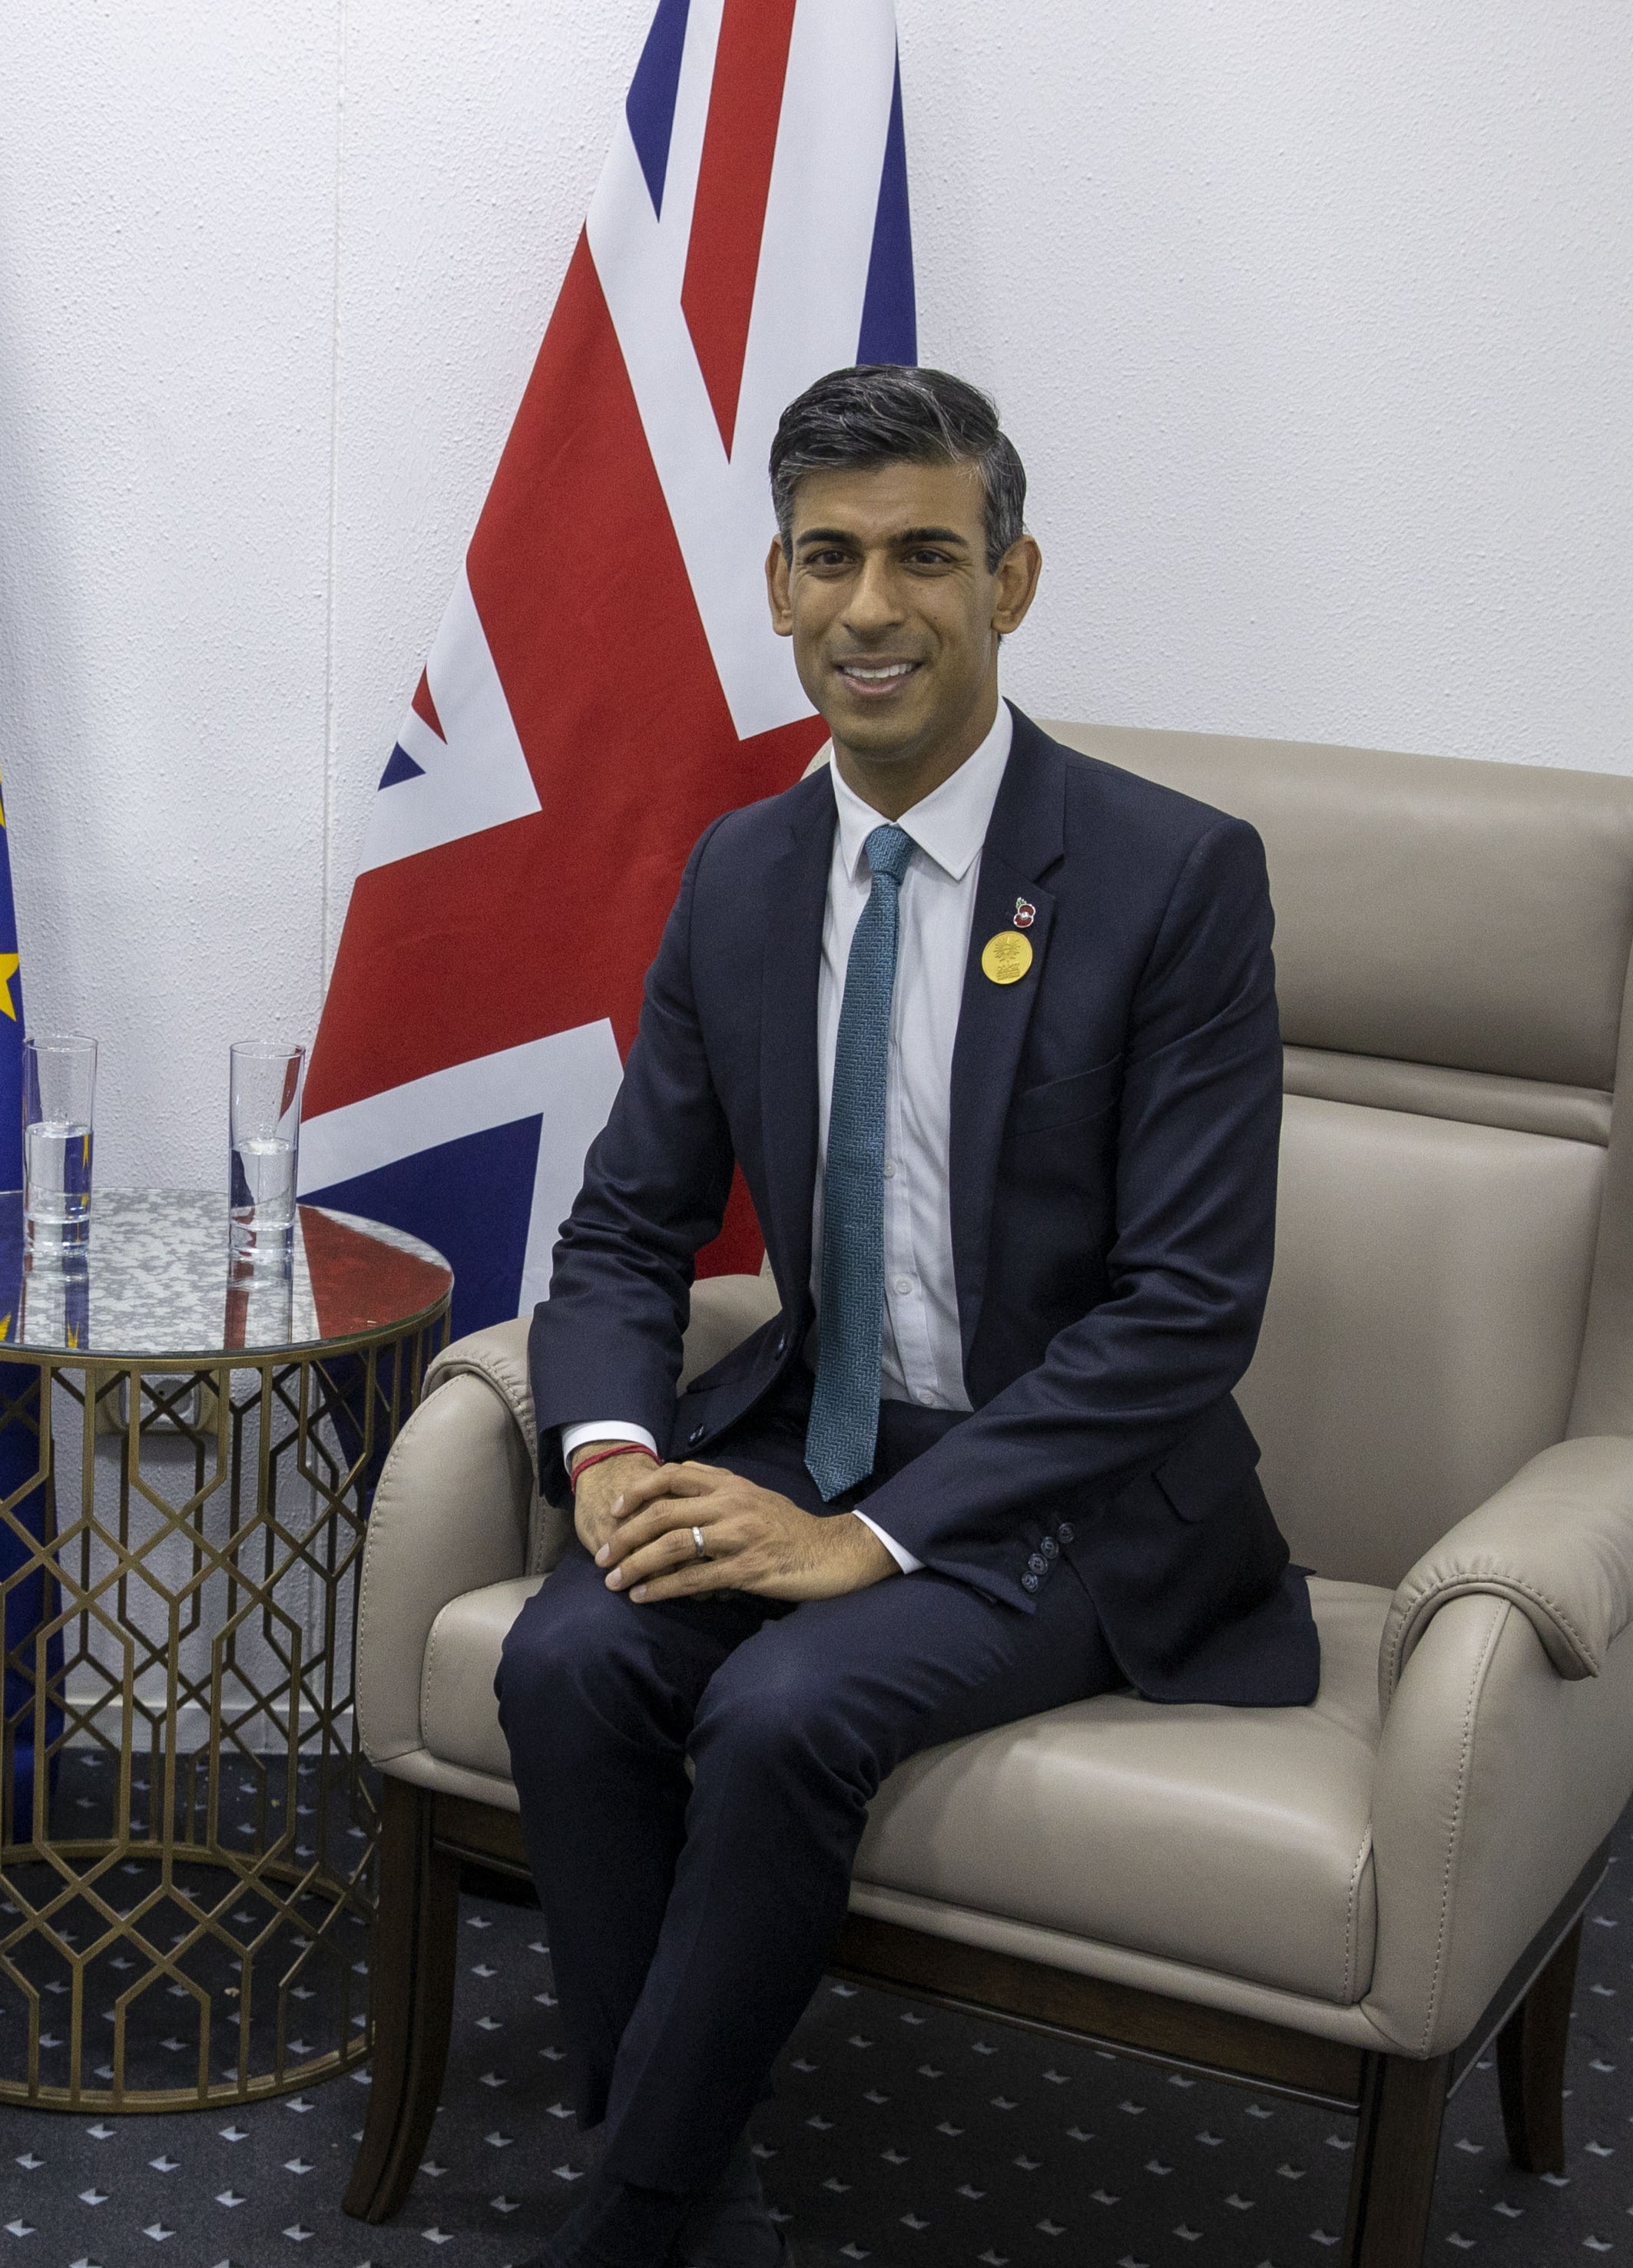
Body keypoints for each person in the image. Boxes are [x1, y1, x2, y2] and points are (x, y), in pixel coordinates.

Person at [495, 365, 1319, 2268]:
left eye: (924, 557)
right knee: (566, 1658)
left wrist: (858, 1539)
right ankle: (689, 2196)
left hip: (1078, 1486)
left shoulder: (1170, 874)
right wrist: (613, 1452)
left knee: (784, 1710)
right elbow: (625, 1227)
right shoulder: (743, 869)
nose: (873, 608)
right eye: (830, 559)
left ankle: (628, 2218)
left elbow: (1186, 1310)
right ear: (775, 589)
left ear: (1010, 579)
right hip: (815, 1421)